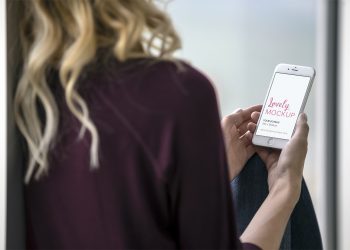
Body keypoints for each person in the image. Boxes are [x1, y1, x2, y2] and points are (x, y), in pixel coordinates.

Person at [14, 0, 321, 249]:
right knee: (261, 168)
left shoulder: (22, 99)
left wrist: (203, 174)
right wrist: (284, 186)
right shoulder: (178, 94)